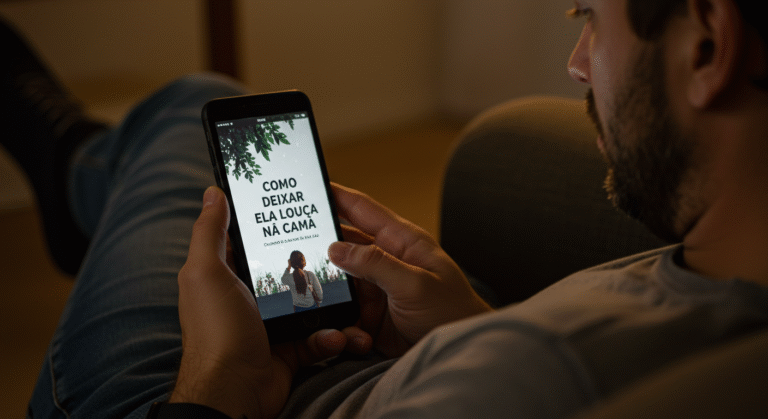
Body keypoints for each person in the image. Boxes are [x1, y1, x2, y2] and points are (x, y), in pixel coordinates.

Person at [2, 0, 767, 416]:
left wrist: (217, 380)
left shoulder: (543, 374)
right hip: (400, 354)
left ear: (706, 46)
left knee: (194, 102)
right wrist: (470, 327)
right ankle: (76, 165)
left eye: (589, 17)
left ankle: (71, 162)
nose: (575, 64)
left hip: (229, 396)